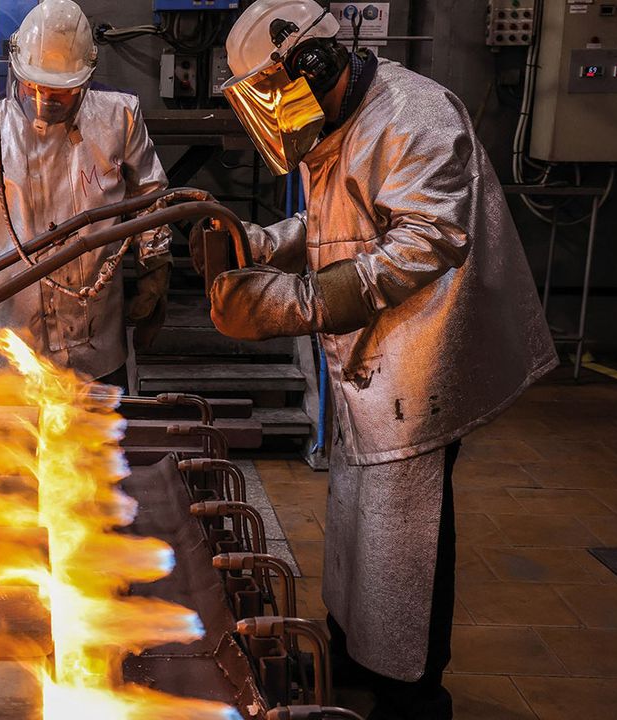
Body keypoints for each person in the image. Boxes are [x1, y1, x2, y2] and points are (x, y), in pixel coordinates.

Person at [208, 1, 558, 718]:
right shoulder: (340, 118)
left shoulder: (416, 117)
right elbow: (333, 225)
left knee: (408, 533)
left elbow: (425, 242)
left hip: (423, 353)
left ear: (307, 65)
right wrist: (259, 241)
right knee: (357, 514)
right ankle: (355, 648)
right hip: (375, 356)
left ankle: (415, 695)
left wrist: (290, 303)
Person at [0, 0, 171, 383]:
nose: (46, 100)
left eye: (61, 92)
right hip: (10, 350)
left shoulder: (119, 119)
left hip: (97, 349)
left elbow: (152, 198)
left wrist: (155, 266)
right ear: (15, 69)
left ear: (85, 80)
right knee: (10, 444)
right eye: (34, 87)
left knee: (103, 441)